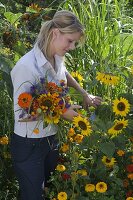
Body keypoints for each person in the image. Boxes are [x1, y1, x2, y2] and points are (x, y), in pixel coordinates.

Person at [10, 10, 102, 200]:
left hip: (51, 139)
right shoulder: (26, 67)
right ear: (55, 33)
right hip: (30, 143)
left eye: (74, 42)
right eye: (70, 41)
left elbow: (63, 73)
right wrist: (63, 112)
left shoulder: (56, 57)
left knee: (46, 190)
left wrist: (84, 93)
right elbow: (22, 114)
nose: (72, 46)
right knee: (32, 196)